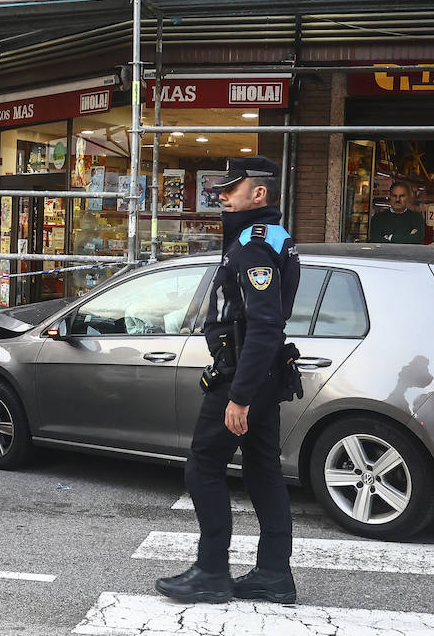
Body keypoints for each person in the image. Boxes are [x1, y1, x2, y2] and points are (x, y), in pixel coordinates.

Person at [156, 155, 300, 605]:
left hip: (241, 374)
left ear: (258, 194)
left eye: (230, 189)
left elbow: (263, 325)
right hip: (262, 372)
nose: (220, 195)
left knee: (203, 467)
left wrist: (238, 396)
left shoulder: (253, 244)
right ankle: (274, 574)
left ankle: (211, 572)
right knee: (262, 473)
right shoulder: (272, 237)